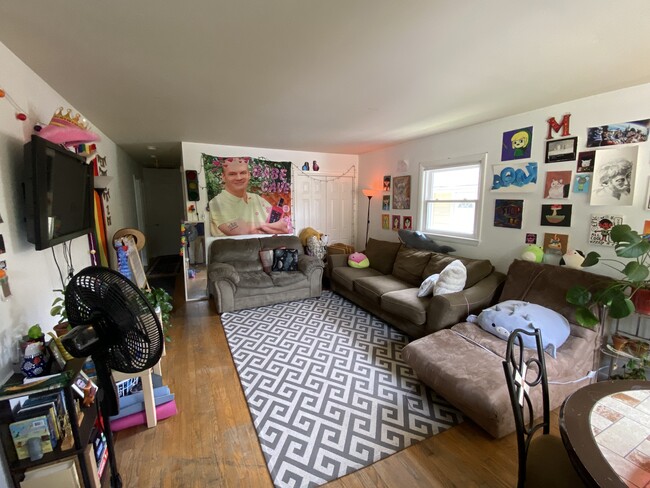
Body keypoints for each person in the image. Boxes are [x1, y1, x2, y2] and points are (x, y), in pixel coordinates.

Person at [209, 158, 290, 236]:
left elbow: (281, 227)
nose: (239, 178)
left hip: (262, 247)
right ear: (223, 177)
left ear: (249, 175)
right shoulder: (217, 202)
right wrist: (269, 227)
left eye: (243, 173)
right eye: (232, 174)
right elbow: (239, 231)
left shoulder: (256, 198)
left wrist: (262, 227)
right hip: (234, 249)